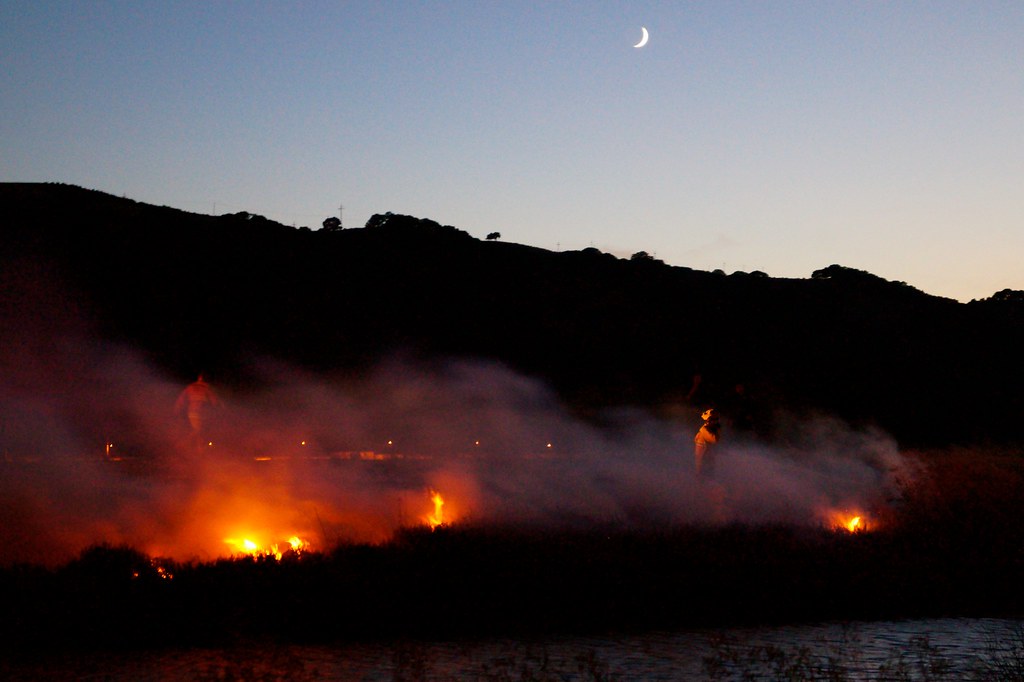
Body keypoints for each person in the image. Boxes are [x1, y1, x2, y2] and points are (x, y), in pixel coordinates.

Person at [175, 374, 220, 449]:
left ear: (198, 378)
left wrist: (177, 409)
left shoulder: (190, 387)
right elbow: (214, 401)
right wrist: (218, 408)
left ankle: (200, 449)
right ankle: (183, 444)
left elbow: (181, 399)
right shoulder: (206, 388)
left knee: (199, 431)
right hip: (202, 412)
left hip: (191, 412)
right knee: (198, 430)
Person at [694, 407, 721, 476]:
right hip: (703, 454)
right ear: (709, 420)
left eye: (717, 419)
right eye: (714, 419)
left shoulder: (710, 429)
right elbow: (714, 440)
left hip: (707, 454)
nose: (716, 421)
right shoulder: (704, 429)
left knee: (708, 469)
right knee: (702, 470)